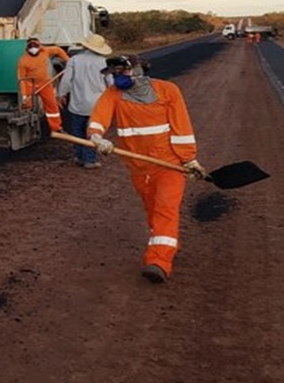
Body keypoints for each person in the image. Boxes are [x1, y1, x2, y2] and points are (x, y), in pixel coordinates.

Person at [87, 54, 207, 284]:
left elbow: (182, 127)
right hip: (139, 167)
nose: (117, 77)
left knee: (165, 209)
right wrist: (96, 136)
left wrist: (189, 160)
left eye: (122, 72)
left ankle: (159, 262)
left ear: (139, 70)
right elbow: (99, 118)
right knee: (153, 211)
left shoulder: (167, 90)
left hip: (168, 165)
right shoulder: (113, 94)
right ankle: (164, 242)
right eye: (115, 74)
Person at [57, 33, 113, 168]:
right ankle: (90, 160)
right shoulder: (104, 62)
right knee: (92, 133)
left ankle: (80, 157)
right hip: (97, 105)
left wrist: (61, 94)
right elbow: (110, 83)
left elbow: (66, 81)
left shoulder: (74, 60)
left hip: (77, 103)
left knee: (77, 132)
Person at [17, 37, 70, 133]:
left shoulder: (45, 51)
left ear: (39, 46)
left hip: (45, 83)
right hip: (30, 84)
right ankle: (27, 128)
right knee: (27, 105)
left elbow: (57, 50)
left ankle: (56, 127)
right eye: (31, 47)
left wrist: (67, 60)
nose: (33, 48)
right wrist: (24, 95)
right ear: (27, 48)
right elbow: (22, 79)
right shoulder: (23, 61)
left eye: (35, 46)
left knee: (52, 105)